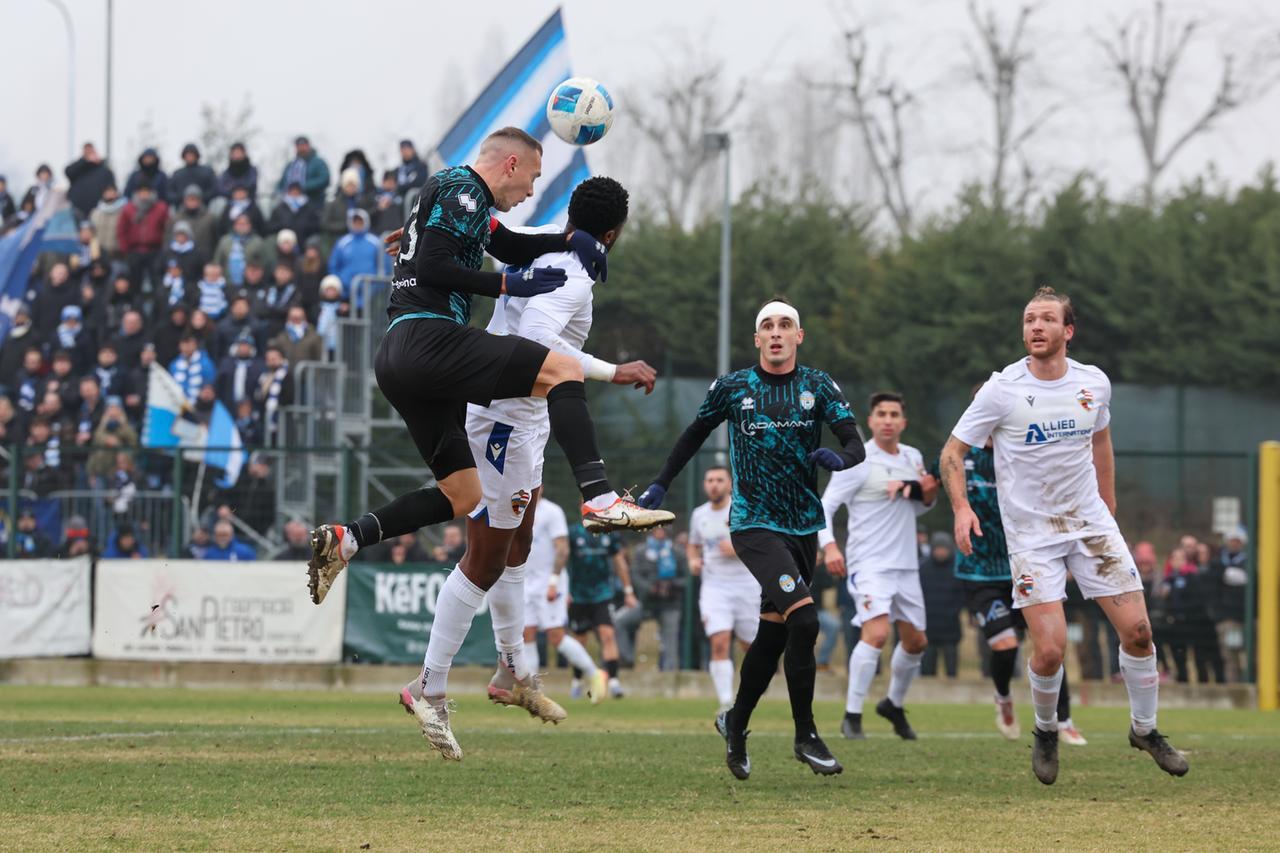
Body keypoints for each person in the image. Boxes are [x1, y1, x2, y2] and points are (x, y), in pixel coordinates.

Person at [305, 129, 669, 650]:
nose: (529, 191)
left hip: (400, 357)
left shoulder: (461, 198)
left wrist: (567, 240)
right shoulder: (466, 189)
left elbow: (505, 243)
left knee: (463, 494)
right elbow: (435, 265)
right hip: (428, 338)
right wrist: (507, 285)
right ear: (512, 163)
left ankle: (346, 539)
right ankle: (599, 499)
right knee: (559, 369)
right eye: (532, 178)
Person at [409, 175, 655, 756]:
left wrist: (422, 237)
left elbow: (499, 237)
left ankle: (512, 673)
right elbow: (542, 340)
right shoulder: (573, 275)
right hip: (502, 418)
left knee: (518, 544)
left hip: (527, 419)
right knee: (486, 556)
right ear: (614, 233)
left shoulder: (552, 241)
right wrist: (614, 370)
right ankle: (429, 685)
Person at [940, 286, 1187, 785]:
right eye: (1029, 318)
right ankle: (1047, 731)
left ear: (1067, 331)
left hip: (1090, 526)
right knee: (1050, 650)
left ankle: (1145, 729)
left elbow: (1101, 441)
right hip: (1032, 537)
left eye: (1046, 319)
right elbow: (951, 453)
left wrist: (1109, 509)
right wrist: (962, 508)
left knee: (1139, 632)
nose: (1035, 326)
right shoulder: (1001, 390)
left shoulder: (1094, 383)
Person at [638, 296, 865, 779]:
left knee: (773, 634)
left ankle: (736, 723)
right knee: (805, 622)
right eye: (768, 325)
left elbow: (855, 443)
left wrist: (839, 460)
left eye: (786, 324)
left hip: (804, 526)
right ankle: (806, 735)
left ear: (799, 336)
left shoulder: (817, 385)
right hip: (754, 525)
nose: (777, 332)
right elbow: (692, 436)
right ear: (757, 338)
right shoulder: (734, 386)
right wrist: (661, 482)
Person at [934, 402, 1087, 745]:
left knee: (1049, 646)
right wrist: (911, 489)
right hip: (978, 574)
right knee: (1004, 646)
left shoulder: (1023, 454)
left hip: (1026, 566)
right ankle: (1003, 698)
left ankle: (1064, 721)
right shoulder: (960, 455)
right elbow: (931, 481)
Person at [820, 392, 935, 741]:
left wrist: (928, 493)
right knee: (878, 633)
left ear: (903, 422)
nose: (887, 419)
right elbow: (824, 507)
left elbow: (920, 508)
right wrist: (829, 548)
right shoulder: (859, 460)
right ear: (870, 421)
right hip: (869, 564)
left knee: (916, 642)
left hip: (906, 567)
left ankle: (892, 704)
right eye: (881, 414)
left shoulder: (913, 457)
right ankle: (851, 717)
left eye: (894, 414)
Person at [515, 496, 605, 708]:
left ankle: (595, 674)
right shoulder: (516, 508)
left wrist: (554, 581)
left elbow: (562, 548)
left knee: (556, 636)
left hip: (549, 582)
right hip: (526, 582)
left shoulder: (551, 511)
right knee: (526, 633)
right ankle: (534, 692)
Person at [688, 465, 761, 713]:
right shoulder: (699, 515)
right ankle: (726, 703)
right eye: (709, 480)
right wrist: (693, 561)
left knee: (751, 647)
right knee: (719, 642)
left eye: (719, 480)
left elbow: (763, 543)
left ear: (730, 484)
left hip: (747, 585)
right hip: (714, 587)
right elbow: (693, 545)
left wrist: (740, 547)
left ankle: (750, 693)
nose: (714, 484)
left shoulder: (743, 509)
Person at [566, 518, 634, 700]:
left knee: (608, 635)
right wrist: (562, 589)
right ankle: (577, 681)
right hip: (578, 595)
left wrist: (628, 591)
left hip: (603, 595)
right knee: (579, 640)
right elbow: (563, 558)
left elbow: (619, 561)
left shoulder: (609, 533)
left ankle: (613, 681)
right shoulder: (573, 532)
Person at [1209, 528, 1248, 682]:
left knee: (1251, 657)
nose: (1234, 544)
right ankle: (1234, 687)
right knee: (1231, 655)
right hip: (1229, 619)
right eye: (1232, 540)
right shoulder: (1219, 563)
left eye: (1237, 541)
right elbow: (1213, 590)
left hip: (1247, 618)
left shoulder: (1249, 562)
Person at [64, 143, 116, 217]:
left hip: (98, 211)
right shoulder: (79, 168)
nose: (90, 154)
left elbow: (112, 188)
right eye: (87, 152)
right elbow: (67, 172)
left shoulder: (104, 170)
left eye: (91, 151)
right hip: (77, 211)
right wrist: (84, 160)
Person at [277, 136, 331, 207]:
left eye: (303, 145)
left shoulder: (318, 163)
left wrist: (303, 187)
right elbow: (282, 182)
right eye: (299, 146)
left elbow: (324, 179)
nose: (301, 148)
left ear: (308, 146)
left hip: (313, 203)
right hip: (291, 205)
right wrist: (281, 190)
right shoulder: (291, 165)